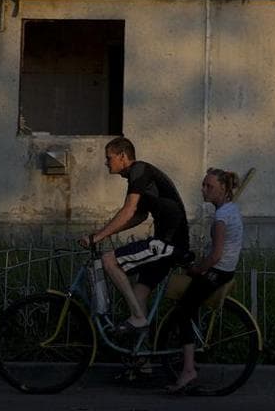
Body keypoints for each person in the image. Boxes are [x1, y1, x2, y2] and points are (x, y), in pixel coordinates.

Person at [81, 137, 189, 335]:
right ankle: (143, 360)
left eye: (109, 158)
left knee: (109, 260)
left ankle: (138, 319)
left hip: (167, 244)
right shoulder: (139, 175)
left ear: (122, 156)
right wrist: (104, 234)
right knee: (139, 296)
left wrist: (97, 237)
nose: (106, 163)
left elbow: (128, 211)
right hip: (167, 245)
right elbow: (138, 216)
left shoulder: (139, 170)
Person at [165, 167, 246, 393]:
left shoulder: (221, 217)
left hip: (217, 272)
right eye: (203, 184)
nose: (203, 189)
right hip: (225, 270)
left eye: (209, 186)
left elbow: (216, 254)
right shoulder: (232, 209)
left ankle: (188, 369)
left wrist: (196, 269)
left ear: (223, 189)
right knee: (191, 304)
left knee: (183, 310)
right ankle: (189, 356)